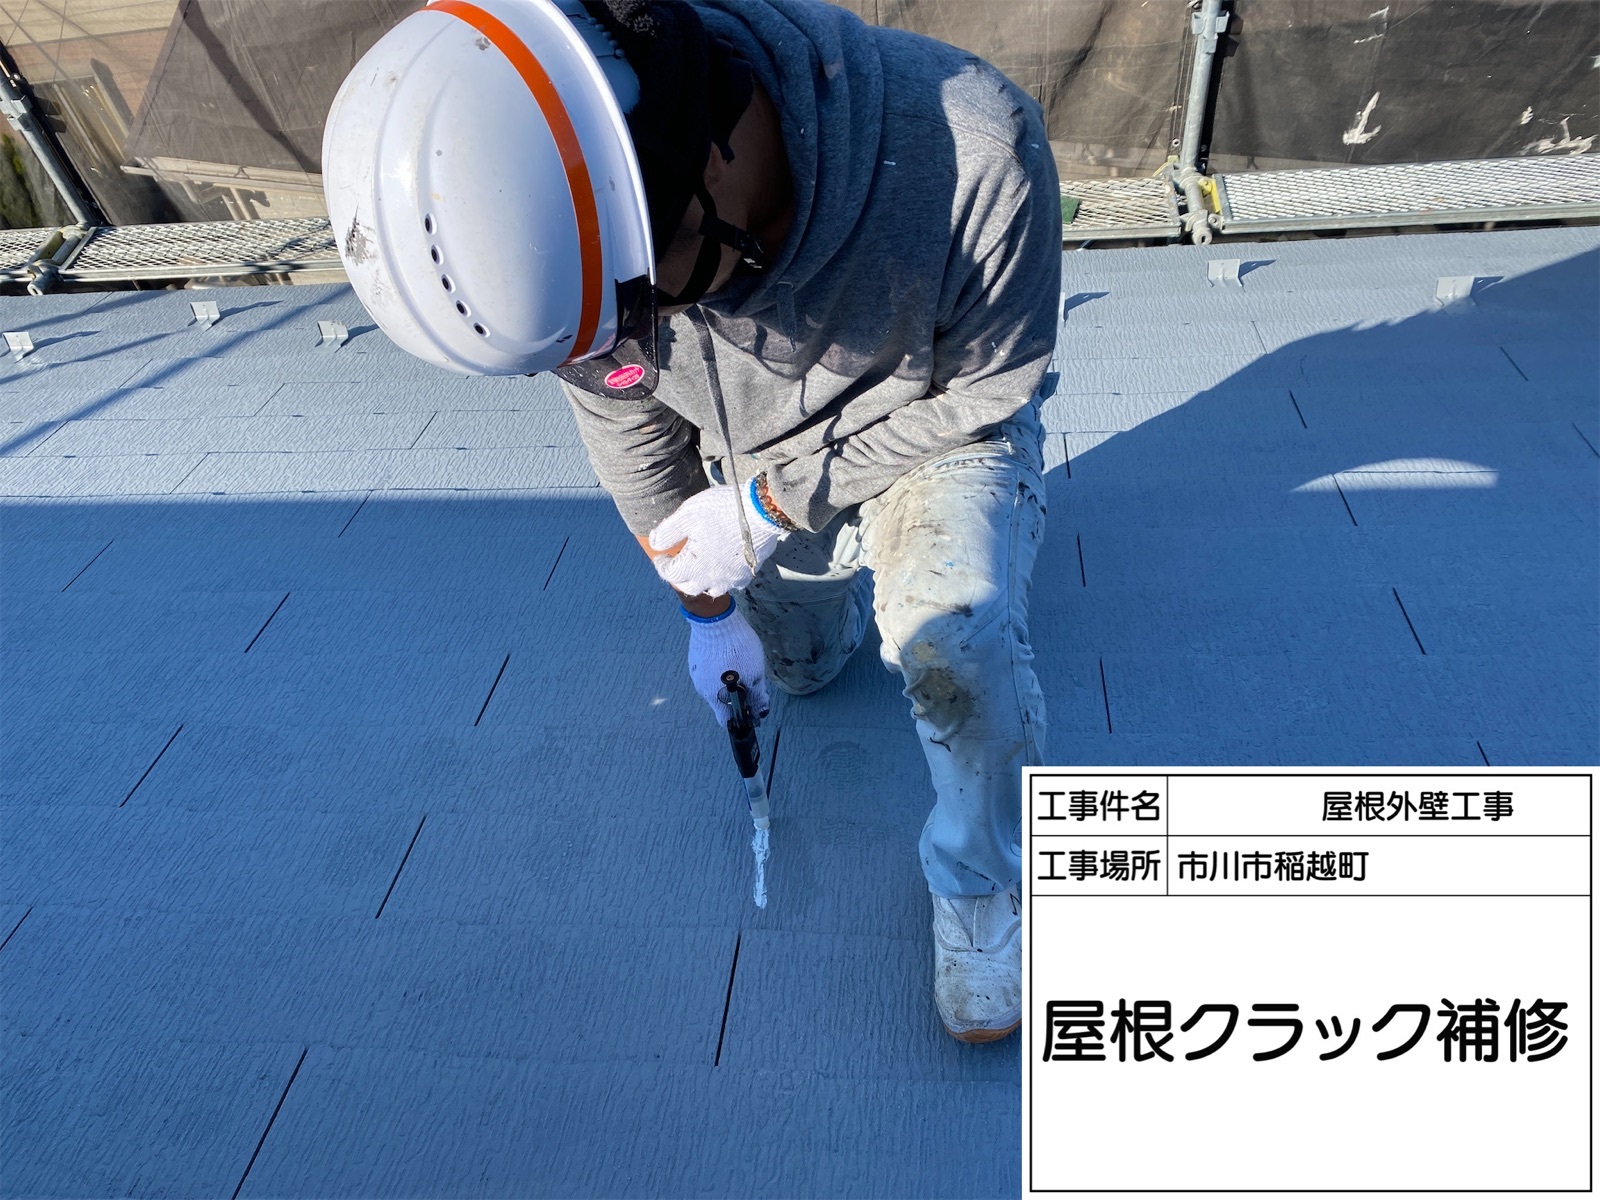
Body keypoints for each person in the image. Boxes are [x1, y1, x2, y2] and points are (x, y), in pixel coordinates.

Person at [323, 0, 1060, 1042]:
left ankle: (980, 880)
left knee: (955, 644)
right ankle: (836, 600)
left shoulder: (973, 150)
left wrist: (772, 505)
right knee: (801, 672)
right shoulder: (589, 259)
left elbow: (993, 385)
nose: (635, 339)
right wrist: (707, 615)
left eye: (643, 303)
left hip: (931, 425)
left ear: (705, 159)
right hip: (756, 464)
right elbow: (634, 440)